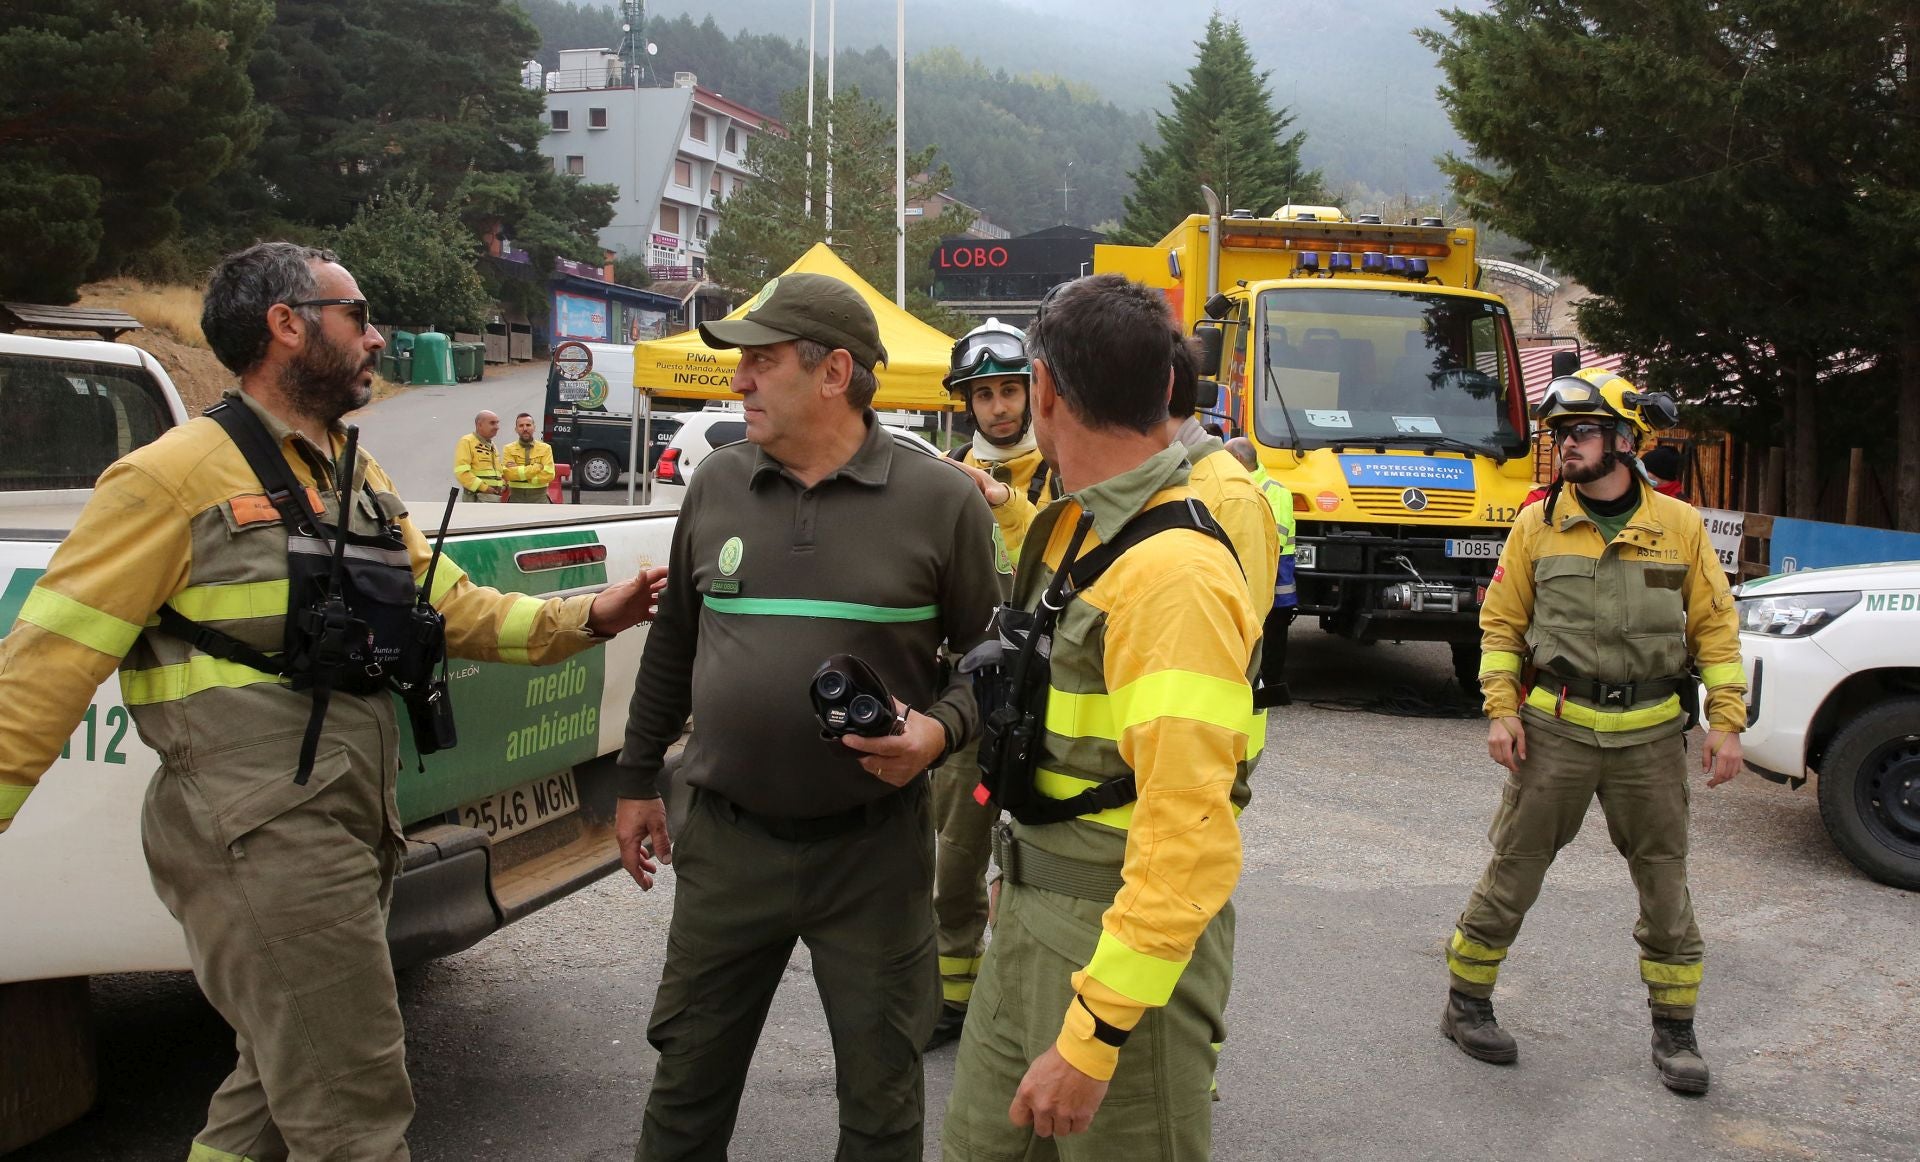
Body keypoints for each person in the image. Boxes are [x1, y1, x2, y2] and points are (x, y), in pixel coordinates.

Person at [0, 241, 666, 1160]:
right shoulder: (169, 478)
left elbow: (450, 607)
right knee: (352, 1107)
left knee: (276, 1084)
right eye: (357, 315)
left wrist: (589, 614)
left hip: (348, 816)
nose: (377, 337)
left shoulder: (354, 475)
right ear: (287, 324)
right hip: (256, 829)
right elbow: (44, 666)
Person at [612, 271, 1002, 1161]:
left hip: (873, 855)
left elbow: (994, 664)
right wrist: (636, 779)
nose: (738, 380)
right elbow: (674, 643)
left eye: (761, 361)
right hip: (726, 845)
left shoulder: (939, 500)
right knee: (686, 1090)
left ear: (833, 373)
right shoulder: (717, 484)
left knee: (881, 1101)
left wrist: (937, 732)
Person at [942, 275, 1260, 1157]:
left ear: (1042, 389)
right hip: (1032, 907)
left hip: (1114, 949)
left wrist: (1095, 1035)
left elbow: (1188, 837)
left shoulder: (1175, 575)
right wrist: (1018, 866)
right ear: (1166, 385)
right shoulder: (1078, 526)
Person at [1441, 367, 1746, 1096]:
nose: (1566, 446)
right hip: (1556, 732)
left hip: (1650, 739)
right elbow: (1500, 625)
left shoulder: (1680, 527)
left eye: (1581, 432)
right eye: (1559, 435)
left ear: (1625, 442)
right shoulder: (1536, 525)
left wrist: (1727, 721)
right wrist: (1500, 709)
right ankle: (1466, 1003)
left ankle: (1675, 1030)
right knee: (1514, 869)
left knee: (1665, 882)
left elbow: (1715, 627)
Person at [922, 317, 1059, 1050]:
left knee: (1047, 861)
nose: (999, 407)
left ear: (1033, 393)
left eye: (1010, 390)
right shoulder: (941, 475)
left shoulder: (1062, 472)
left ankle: (1035, 1002)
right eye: (984, 395)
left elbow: (1061, 559)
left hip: (1047, 700)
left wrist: (1004, 502)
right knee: (954, 856)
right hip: (969, 698)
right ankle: (954, 995)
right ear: (965, 403)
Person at [1230, 436, 1299, 706]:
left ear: (1238, 460)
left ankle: (1268, 686)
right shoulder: (1242, 486)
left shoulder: (1273, 490)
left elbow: (1275, 539)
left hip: (1274, 572)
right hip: (1259, 569)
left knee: (1272, 631)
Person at [502, 412, 557, 503]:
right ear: (516, 429)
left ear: (534, 427)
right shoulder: (508, 449)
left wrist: (519, 471)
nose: (525, 429)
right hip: (516, 498)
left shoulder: (546, 448)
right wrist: (537, 467)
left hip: (540, 499)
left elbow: (549, 475)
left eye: (528, 425)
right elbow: (509, 475)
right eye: (521, 426)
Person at [454, 410, 504, 500]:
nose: (497, 427)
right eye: (492, 423)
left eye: (497, 423)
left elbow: (497, 472)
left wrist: (502, 484)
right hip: (477, 498)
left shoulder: (492, 445)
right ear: (479, 425)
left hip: (494, 498)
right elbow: (462, 473)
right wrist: (484, 488)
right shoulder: (467, 441)